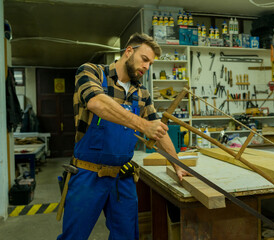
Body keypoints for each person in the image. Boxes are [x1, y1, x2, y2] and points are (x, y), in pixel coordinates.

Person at [57, 33, 189, 240]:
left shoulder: (142, 93)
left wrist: (178, 166)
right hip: (87, 174)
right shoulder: (91, 72)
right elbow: (96, 102)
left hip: (123, 177)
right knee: (74, 236)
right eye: (144, 59)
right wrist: (143, 125)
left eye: (150, 63)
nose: (146, 67)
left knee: (127, 235)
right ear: (129, 51)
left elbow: (159, 130)